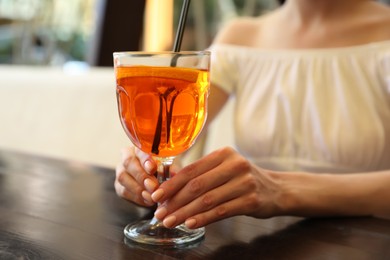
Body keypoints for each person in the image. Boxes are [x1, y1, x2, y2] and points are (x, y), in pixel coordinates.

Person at [115, 0, 390, 230]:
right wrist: (146, 173)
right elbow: (174, 133)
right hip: (257, 242)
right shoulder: (240, 36)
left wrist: (280, 190)